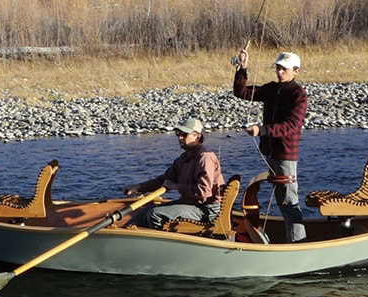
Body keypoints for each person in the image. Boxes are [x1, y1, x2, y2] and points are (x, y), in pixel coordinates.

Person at [233, 45, 308, 242]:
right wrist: (243, 69)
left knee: (290, 202)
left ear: (295, 71)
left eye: (284, 68)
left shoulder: (298, 94)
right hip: (270, 153)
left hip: (286, 155)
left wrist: (262, 130)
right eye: (278, 68)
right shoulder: (272, 89)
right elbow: (242, 93)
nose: (280, 71)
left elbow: (292, 125)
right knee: (281, 201)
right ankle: (290, 238)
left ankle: (299, 243)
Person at [123, 116, 226, 229]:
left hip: (206, 210)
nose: (180, 137)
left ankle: (160, 242)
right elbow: (164, 180)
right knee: (142, 213)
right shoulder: (183, 158)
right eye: (178, 133)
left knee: (155, 214)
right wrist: (139, 187)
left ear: (198, 136)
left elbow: (203, 191)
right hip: (190, 204)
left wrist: (175, 187)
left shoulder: (205, 158)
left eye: (184, 134)